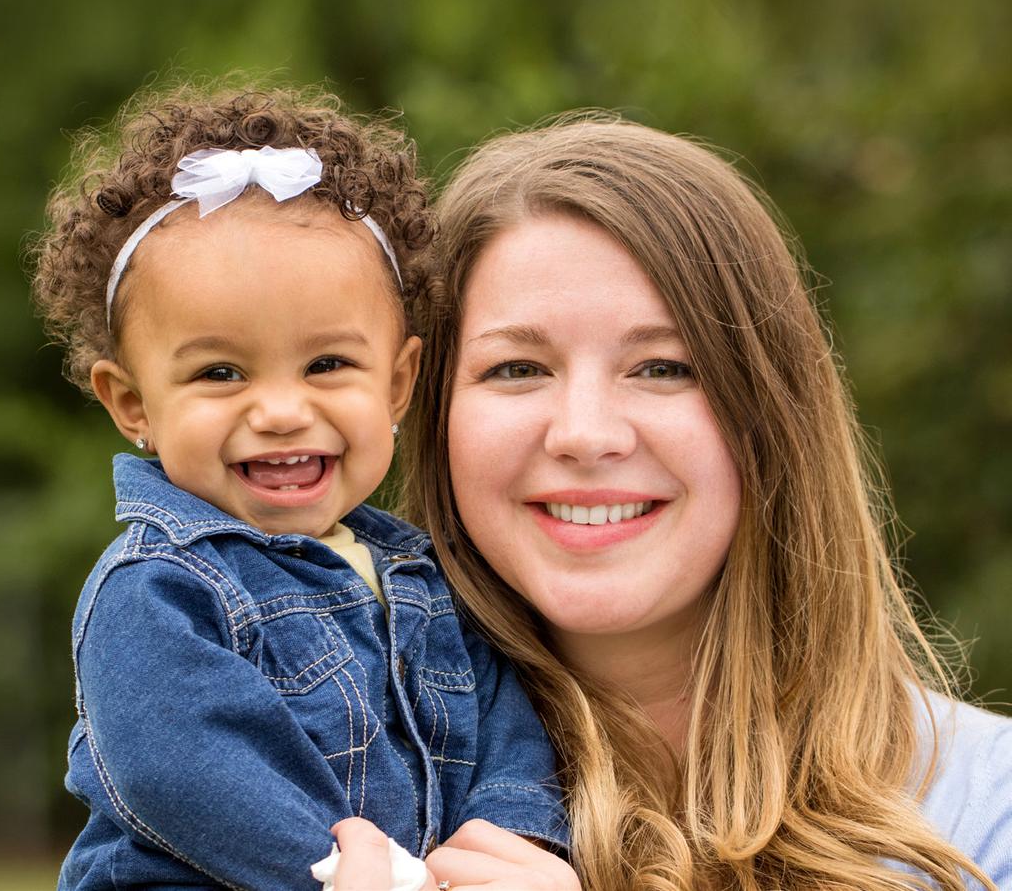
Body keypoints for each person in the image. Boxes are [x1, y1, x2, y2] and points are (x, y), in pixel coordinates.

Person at [336, 116, 1010, 890]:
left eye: (662, 368)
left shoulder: (985, 814)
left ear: (770, 415)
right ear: (431, 414)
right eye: (517, 368)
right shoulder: (321, 777)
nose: (585, 435)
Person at [32, 86, 567, 891]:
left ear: (397, 384)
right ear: (133, 403)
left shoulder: (429, 580)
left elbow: (505, 732)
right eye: (220, 372)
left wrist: (514, 845)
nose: (281, 411)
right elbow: (183, 768)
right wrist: (370, 874)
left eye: (326, 365)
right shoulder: (158, 588)